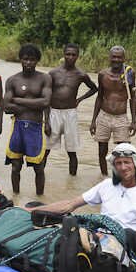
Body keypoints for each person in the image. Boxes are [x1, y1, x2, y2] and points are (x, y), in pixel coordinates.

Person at [28, 143, 136, 253]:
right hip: (98, 236)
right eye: (118, 163)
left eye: (127, 162)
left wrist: (112, 237)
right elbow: (70, 204)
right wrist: (33, 210)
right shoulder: (107, 185)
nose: (123, 167)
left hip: (125, 242)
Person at [2, 44, 52, 196]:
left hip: (36, 127)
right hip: (17, 126)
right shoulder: (12, 80)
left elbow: (45, 102)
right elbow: (6, 107)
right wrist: (32, 105)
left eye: (32, 60)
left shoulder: (44, 78)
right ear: (20, 60)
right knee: (15, 166)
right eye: (25, 59)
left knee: (39, 167)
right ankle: (15, 197)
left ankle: (40, 199)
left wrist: (18, 100)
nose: (28, 63)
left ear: (37, 61)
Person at [83, 46, 136, 176]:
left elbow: (133, 97)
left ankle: (121, 178)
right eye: (114, 57)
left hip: (121, 117)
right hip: (104, 116)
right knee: (102, 150)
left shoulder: (129, 73)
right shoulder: (102, 74)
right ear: (110, 58)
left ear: (124, 58)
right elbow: (99, 97)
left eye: (119, 57)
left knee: (123, 151)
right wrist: (93, 121)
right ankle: (104, 177)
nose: (116, 60)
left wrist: (134, 121)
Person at [46, 43, 98, 176]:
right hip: (54, 112)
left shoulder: (81, 75)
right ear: (63, 55)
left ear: (77, 56)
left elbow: (94, 88)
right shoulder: (53, 73)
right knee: (45, 149)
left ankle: (72, 180)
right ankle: (40, 176)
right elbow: (45, 94)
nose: (70, 57)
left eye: (73, 55)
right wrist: (46, 120)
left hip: (70, 113)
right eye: (68, 54)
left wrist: (80, 99)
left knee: (72, 151)